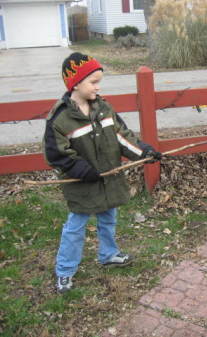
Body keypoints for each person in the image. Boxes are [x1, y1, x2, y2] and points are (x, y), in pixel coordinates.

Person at [43, 52, 162, 293]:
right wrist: (81, 169)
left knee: (108, 219)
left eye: (99, 82)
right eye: (93, 82)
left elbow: (121, 136)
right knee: (76, 226)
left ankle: (108, 254)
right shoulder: (61, 118)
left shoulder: (104, 108)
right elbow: (56, 153)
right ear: (75, 83)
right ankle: (65, 270)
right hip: (83, 184)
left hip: (109, 179)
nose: (98, 87)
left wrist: (143, 152)